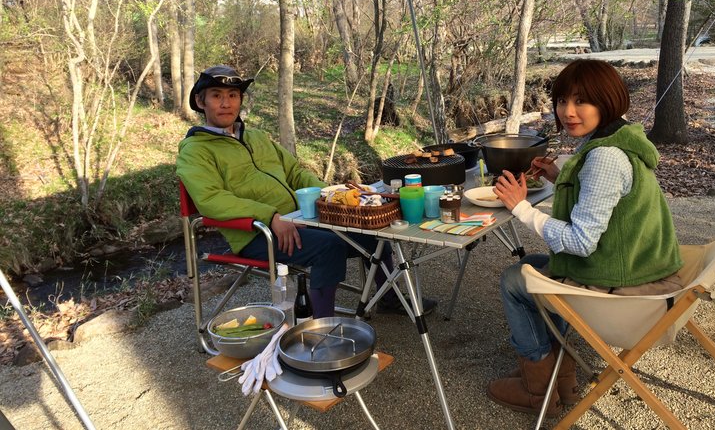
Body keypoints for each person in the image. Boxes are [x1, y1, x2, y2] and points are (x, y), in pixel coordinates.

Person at [487, 59, 683, 416]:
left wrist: (521, 208)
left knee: (515, 280)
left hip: (629, 287)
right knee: (532, 265)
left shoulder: (605, 157)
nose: (568, 112)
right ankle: (561, 372)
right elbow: (602, 195)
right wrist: (557, 172)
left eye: (581, 101)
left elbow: (580, 242)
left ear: (606, 101)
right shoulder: (620, 137)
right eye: (562, 100)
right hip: (637, 262)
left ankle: (538, 389)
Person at [176, 65, 436, 318]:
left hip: (299, 218)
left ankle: (388, 298)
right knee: (329, 247)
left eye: (232, 96)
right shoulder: (195, 150)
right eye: (217, 96)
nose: (226, 103)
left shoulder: (256, 136)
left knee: (370, 231)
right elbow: (211, 200)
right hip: (256, 233)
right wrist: (270, 217)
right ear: (201, 102)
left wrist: (330, 194)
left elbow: (295, 173)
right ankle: (321, 331)